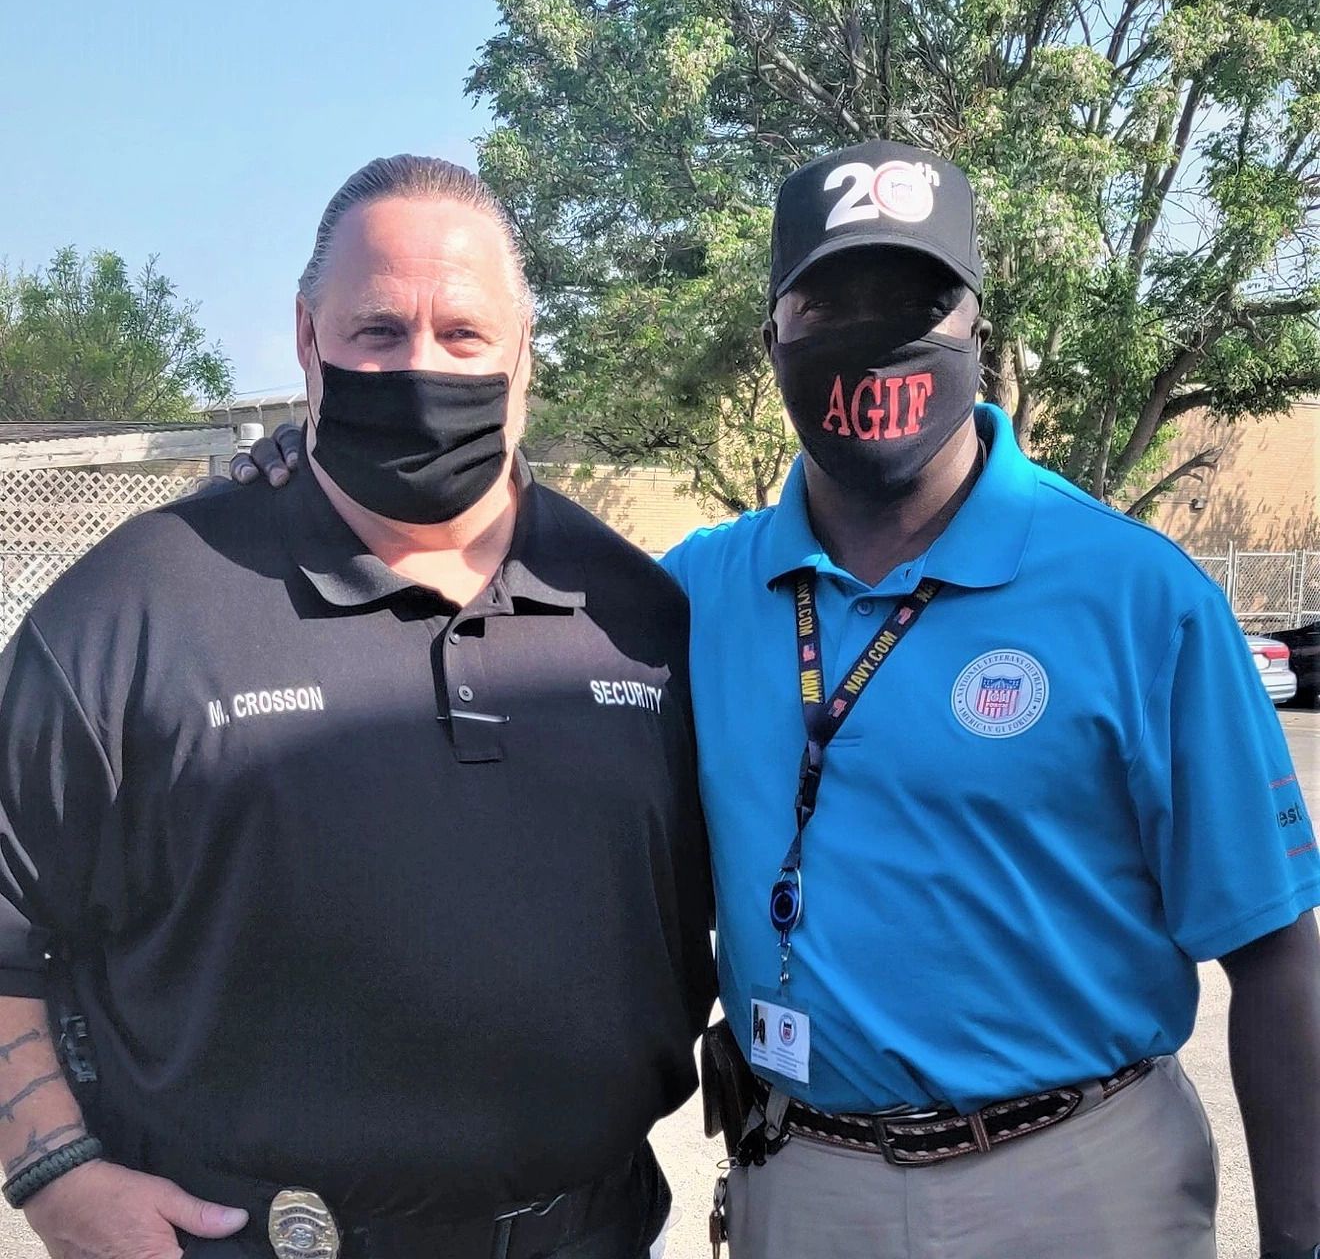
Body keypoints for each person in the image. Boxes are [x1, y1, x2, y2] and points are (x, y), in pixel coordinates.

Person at [236, 141, 1320, 1259]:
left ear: (976, 337)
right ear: (772, 344)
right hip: (798, 1182)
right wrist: (307, 484)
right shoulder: (692, 591)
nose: (875, 334)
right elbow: (484, 573)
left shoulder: (1136, 595)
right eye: (829, 304)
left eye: (916, 301)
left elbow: (1278, 949)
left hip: (1073, 1186)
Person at [0, 154, 715, 1259]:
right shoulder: (133, 611)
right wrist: (54, 1174)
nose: (421, 369)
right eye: (379, 332)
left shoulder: (640, 613)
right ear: (306, 336)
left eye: (464, 335)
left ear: (525, 351)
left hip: (596, 1233)